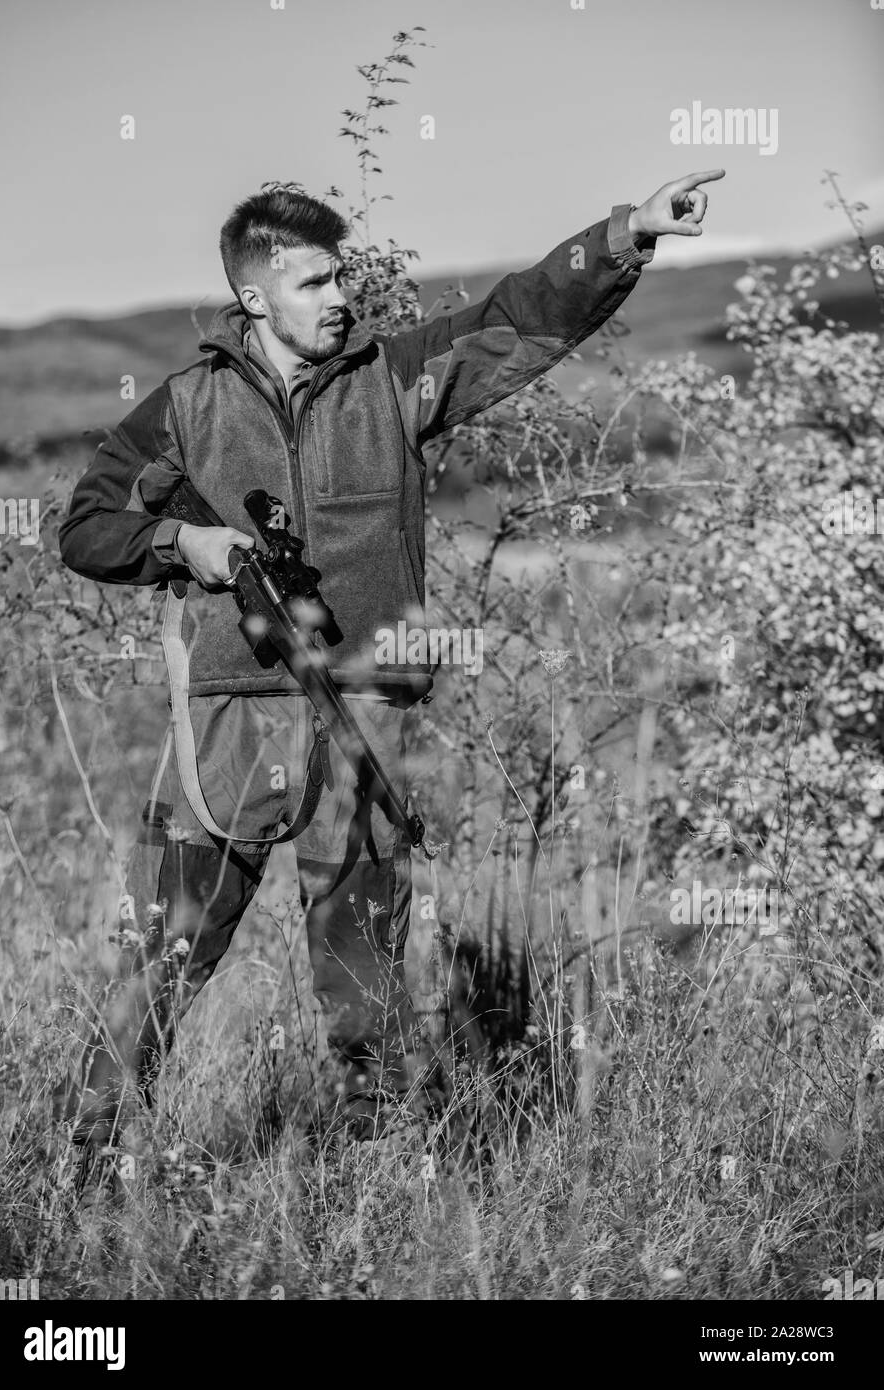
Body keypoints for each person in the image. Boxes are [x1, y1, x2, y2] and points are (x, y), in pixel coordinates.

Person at [57, 169, 724, 1153]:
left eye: (342, 279)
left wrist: (623, 236)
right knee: (168, 942)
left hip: (368, 709)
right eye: (317, 282)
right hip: (232, 718)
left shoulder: (395, 377)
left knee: (363, 959)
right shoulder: (186, 408)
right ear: (256, 294)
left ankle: (368, 1167)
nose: (341, 297)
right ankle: (89, 1147)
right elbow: (86, 525)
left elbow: (517, 318)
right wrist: (183, 546)